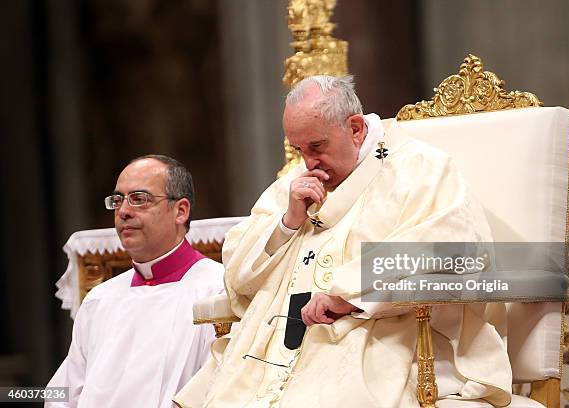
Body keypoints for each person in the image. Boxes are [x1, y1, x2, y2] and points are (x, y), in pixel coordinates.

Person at [175, 76, 512, 407]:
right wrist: (288, 223)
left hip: (376, 343)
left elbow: (454, 249)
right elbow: (238, 273)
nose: (308, 163)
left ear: (355, 128)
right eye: (299, 150)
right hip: (270, 353)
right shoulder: (295, 183)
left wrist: (349, 295)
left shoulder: (419, 168)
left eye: (317, 147)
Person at [46, 155, 224, 408]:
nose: (124, 212)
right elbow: (63, 394)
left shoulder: (218, 292)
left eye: (139, 199)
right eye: (118, 201)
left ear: (180, 211)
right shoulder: (100, 300)